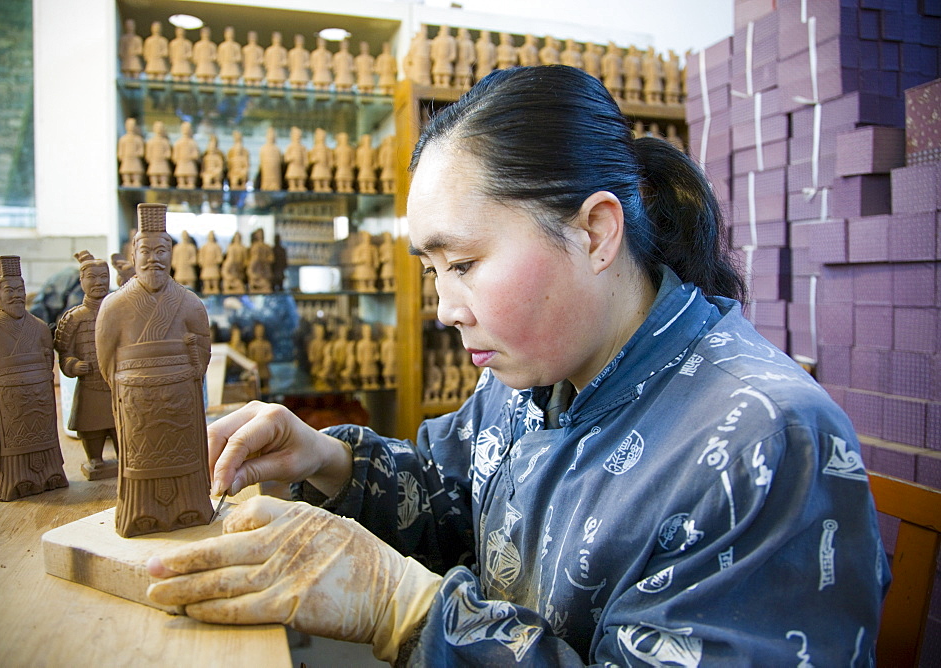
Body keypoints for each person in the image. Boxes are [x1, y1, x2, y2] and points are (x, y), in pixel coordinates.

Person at [145, 66, 888, 665]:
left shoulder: (767, 442)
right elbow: (455, 496)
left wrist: (407, 608)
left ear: (596, 232)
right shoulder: (533, 368)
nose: (444, 307)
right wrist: (327, 458)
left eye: (464, 262)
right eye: (433, 267)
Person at [96, 203, 212, 537]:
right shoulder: (114, 306)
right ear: (133, 256)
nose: (153, 259)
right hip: (137, 403)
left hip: (181, 403)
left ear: (172, 256)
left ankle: (190, 507)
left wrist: (186, 366)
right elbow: (106, 362)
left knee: (185, 460)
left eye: (162, 251)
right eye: (145, 251)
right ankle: (139, 513)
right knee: (140, 465)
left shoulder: (189, 302)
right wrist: (131, 387)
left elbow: (202, 352)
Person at [0, 256, 67, 501]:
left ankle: (49, 476)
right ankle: (12, 482)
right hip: (7, 402)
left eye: (20, 290)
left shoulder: (41, 327)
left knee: (44, 442)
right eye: (9, 290)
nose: (16, 295)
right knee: (11, 450)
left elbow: (47, 362)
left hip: (40, 400)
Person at [54, 251, 118, 480]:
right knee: (91, 427)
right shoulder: (74, 318)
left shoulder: (120, 312)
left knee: (120, 425)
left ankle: (125, 458)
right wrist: (73, 365)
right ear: (81, 281)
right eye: (92, 277)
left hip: (117, 383)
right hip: (90, 385)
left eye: (103, 276)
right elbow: (64, 353)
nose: (99, 282)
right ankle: (95, 460)